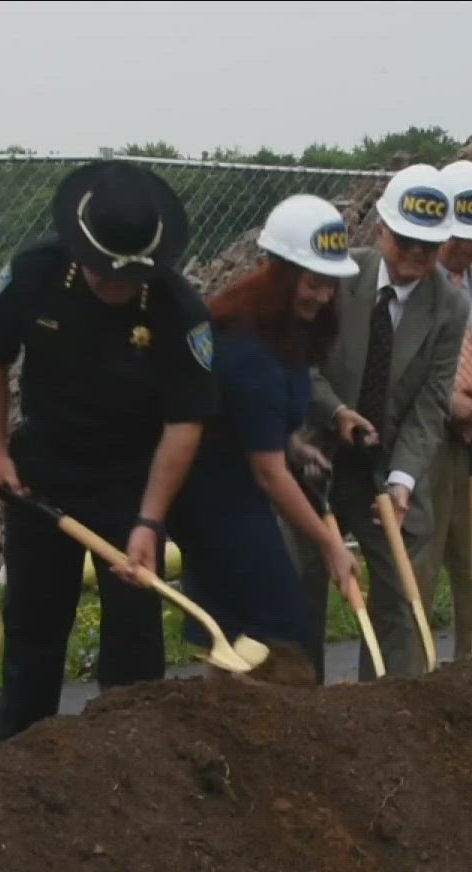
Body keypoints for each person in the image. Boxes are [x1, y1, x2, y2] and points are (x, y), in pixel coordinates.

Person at [0, 160, 217, 741]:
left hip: (130, 480)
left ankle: (137, 765)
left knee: (134, 644)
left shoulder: (179, 309)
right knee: (33, 632)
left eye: (127, 280)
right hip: (42, 472)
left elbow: (186, 422)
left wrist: (150, 521)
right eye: (104, 275)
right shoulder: (36, 271)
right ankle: (17, 761)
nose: (114, 289)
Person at [166, 195, 360, 666]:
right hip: (215, 497)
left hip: (238, 485)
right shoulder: (249, 347)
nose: (323, 296)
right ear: (281, 273)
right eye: (313, 284)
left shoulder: (286, 329)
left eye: (330, 285)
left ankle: (232, 717)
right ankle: (253, 726)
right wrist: (330, 542)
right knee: (279, 628)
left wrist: (291, 444)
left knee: (245, 631)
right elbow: (268, 472)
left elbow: (256, 426)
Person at [290, 162, 466, 681]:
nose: (415, 256)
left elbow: (431, 402)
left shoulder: (448, 308)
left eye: (428, 248)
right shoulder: (340, 277)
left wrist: (402, 480)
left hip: (382, 468)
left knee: (399, 591)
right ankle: (300, 703)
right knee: (302, 583)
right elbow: (304, 365)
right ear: (380, 230)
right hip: (315, 456)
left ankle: (387, 714)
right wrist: (338, 413)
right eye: (405, 241)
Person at [410, 159, 472, 663]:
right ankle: (409, 698)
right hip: (422, 464)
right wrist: (446, 402)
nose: (470, 248)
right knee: (415, 595)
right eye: (460, 236)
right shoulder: (412, 285)